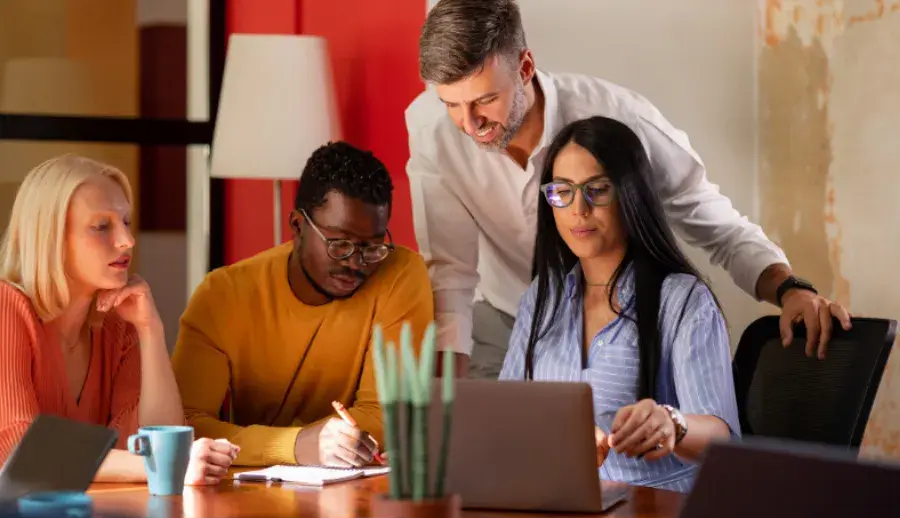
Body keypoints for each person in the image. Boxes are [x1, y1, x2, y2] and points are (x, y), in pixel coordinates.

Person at [406, 0, 853, 379]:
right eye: (451, 104)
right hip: (507, 319)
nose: (469, 124)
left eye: (485, 100)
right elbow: (450, 273)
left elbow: (711, 218)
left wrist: (790, 288)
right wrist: (447, 404)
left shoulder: (620, 118)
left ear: (524, 66)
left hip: (623, 324)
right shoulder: (431, 130)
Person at [500, 116, 740, 492]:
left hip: (653, 512)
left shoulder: (682, 300)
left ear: (630, 194)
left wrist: (673, 423)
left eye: (597, 189)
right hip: (562, 505)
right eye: (562, 191)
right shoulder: (540, 298)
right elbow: (505, 417)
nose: (578, 209)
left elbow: (723, 443)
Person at [172, 141, 434, 468]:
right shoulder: (222, 295)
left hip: (350, 493)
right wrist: (294, 446)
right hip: (247, 492)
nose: (356, 263)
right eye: (339, 244)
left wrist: (309, 445)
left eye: (371, 248)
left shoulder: (399, 275)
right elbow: (184, 425)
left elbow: (389, 415)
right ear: (297, 226)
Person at [0, 154, 238, 484]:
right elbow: (18, 446)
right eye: (102, 226)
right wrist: (160, 467)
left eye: (126, 222)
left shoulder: (118, 325)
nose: (127, 240)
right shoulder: (6, 307)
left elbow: (155, 439)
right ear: (50, 237)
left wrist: (150, 329)